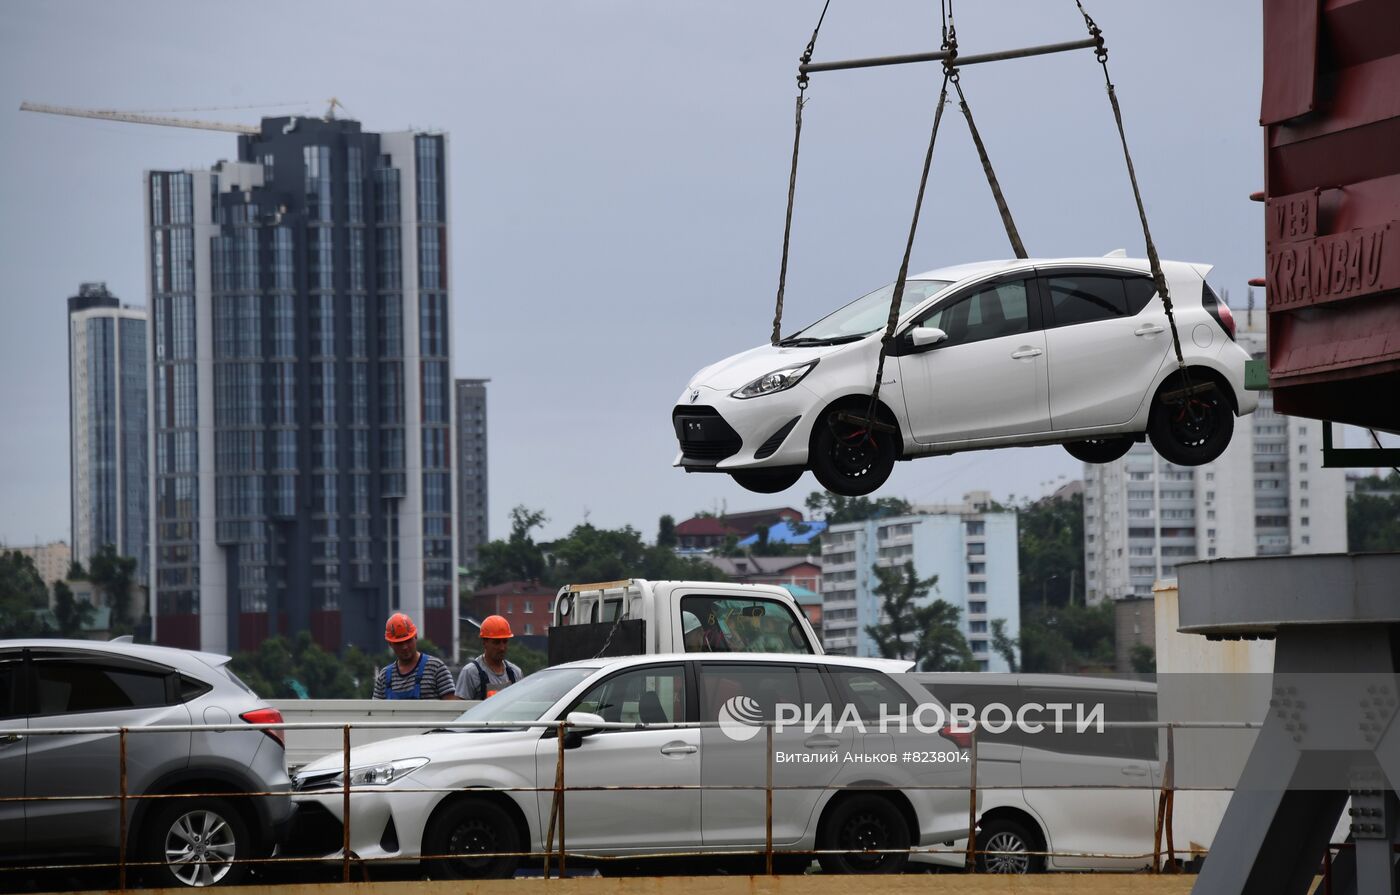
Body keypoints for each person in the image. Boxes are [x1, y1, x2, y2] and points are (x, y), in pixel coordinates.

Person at [373, 612, 459, 700]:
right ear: (390, 644)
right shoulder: (384, 677)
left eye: (408, 641)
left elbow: (452, 707)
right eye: (399, 643)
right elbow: (375, 711)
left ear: (416, 636)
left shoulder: (436, 668)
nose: (405, 647)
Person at [456, 615, 524, 700]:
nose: (502, 647)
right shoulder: (470, 673)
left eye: (505, 642)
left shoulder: (516, 673)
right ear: (485, 642)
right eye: (496, 642)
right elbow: (461, 709)